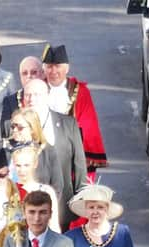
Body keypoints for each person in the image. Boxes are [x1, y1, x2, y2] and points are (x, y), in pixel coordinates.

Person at [23, 78, 87, 231]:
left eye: (37, 94)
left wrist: (80, 197)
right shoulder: (16, 125)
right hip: (26, 204)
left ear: (47, 95)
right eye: (28, 95)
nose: (32, 99)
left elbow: (79, 163)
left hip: (61, 203)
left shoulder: (68, 123)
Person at [42, 44, 108, 176]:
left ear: (67, 68)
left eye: (58, 66)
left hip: (72, 156)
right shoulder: (37, 89)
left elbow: (89, 126)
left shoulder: (81, 92)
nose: (53, 71)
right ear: (44, 69)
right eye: (49, 66)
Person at [1, 108, 63, 199]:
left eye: (20, 127)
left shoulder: (47, 150)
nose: (14, 130)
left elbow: (57, 186)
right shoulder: (2, 147)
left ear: (32, 129)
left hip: (38, 205)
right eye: (13, 126)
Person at [11, 144, 60, 232]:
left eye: (26, 165)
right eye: (18, 165)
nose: (22, 170)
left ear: (35, 164)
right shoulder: (9, 190)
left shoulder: (46, 191)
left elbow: (54, 225)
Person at [0, 56, 45, 138]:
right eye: (25, 73)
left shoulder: (51, 96)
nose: (29, 76)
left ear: (43, 74)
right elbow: (5, 132)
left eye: (34, 72)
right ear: (20, 77)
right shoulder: (10, 101)